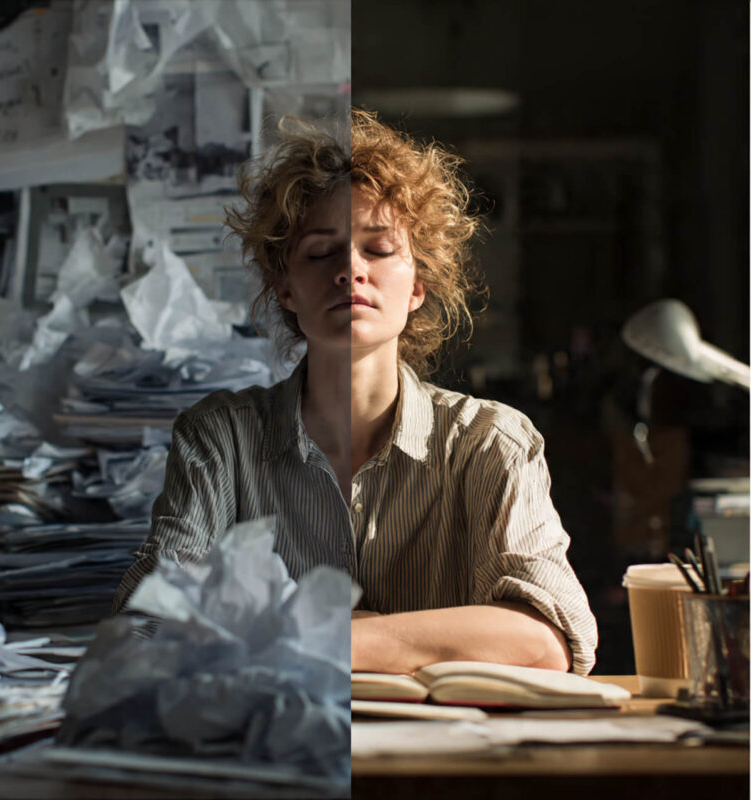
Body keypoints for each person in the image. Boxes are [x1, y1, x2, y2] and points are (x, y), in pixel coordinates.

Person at [113, 110, 598, 676]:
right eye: (321, 252)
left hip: (444, 758)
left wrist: (314, 633)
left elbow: (544, 642)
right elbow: (150, 628)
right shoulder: (220, 439)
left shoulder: (492, 442)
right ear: (285, 288)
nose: (350, 267)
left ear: (418, 286)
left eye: (379, 248)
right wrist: (425, 641)